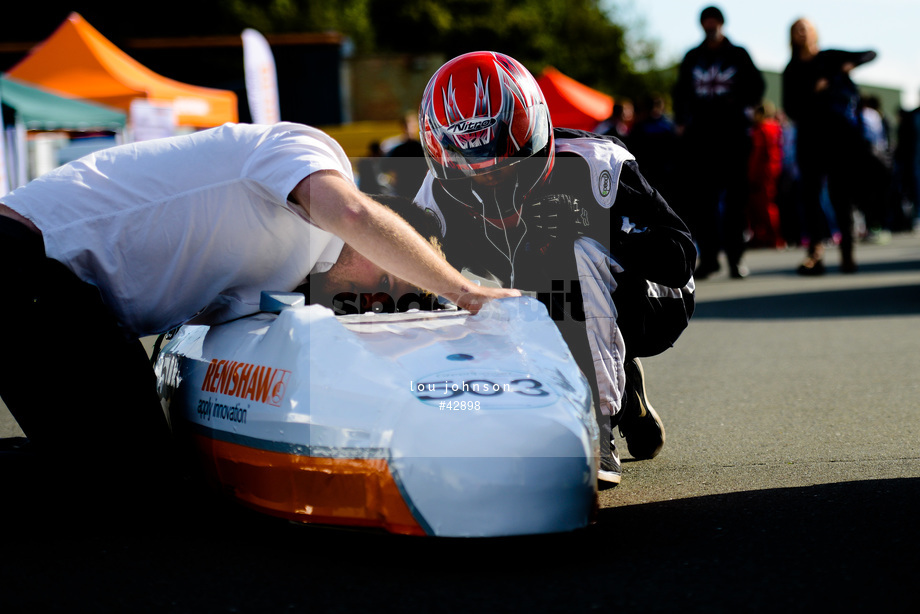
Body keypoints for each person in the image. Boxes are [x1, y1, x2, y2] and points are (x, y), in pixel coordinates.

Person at [0, 122, 517, 489]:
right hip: (20, 257)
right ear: (385, 233)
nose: (376, 301)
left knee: (141, 469)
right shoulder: (307, 150)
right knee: (133, 477)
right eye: (392, 279)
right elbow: (354, 214)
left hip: (57, 293)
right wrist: (462, 291)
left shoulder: (284, 275)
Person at [414, 51, 696, 486]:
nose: (487, 175)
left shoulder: (595, 164)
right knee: (429, 275)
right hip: (548, 305)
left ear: (530, 131)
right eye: (470, 164)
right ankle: (617, 386)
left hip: (654, 303)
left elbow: (680, 258)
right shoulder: (437, 193)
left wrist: (596, 225)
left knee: (574, 248)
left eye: (499, 158)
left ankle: (596, 425)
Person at [673, 6, 765, 279]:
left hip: (733, 138)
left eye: (714, 22)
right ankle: (710, 258)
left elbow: (757, 86)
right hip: (701, 140)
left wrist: (740, 106)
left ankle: (736, 259)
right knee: (704, 203)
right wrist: (681, 121)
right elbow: (680, 92)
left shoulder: (738, 55)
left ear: (722, 24)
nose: (710, 26)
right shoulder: (693, 57)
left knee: (736, 202)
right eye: (706, 22)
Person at [783, 17, 876, 275]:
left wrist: (846, 67)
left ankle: (847, 252)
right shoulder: (791, 69)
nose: (801, 33)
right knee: (810, 196)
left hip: (839, 139)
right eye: (796, 30)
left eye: (805, 28)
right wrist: (813, 91)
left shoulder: (830, 57)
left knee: (841, 196)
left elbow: (871, 53)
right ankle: (815, 252)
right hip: (810, 139)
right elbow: (790, 107)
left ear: (814, 32)